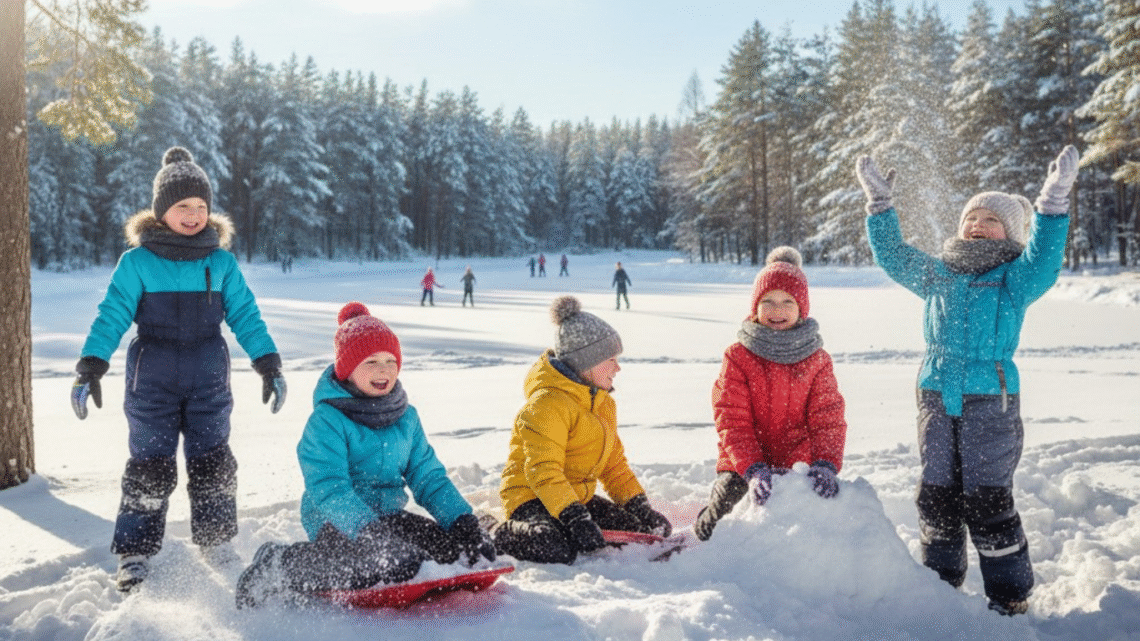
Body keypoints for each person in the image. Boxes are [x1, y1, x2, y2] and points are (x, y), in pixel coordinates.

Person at [856, 145, 1079, 616]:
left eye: (990, 220)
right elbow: (894, 256)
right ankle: (941, 584)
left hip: (990, 401)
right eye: (971, 218)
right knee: (935, 496)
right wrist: (879, 204)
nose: (977, 224)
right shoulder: (938, 273)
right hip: (936, 397)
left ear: (1010, 232)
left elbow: (1044, 258)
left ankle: (1010, 595)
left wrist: (1053, 202)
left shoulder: (1015, 279)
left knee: (987, 501)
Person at [70, 147, 287, 593]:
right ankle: (135, 553)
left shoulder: (220, 262)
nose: (193, 215)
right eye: (182, 205)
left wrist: (268, 363)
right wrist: (91, 366)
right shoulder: (137, 262)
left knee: (213, 461)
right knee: (149, 465)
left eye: (201, 206)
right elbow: (112, 315)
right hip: (151, 377)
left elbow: (245, 315)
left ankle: (216, 541)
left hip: (209, 376)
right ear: (161, 211)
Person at [235, 302, 496, 608]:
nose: (383, 369)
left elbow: (429, 478)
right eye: (371, 361)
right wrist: (368, 531)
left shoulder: (406, 418)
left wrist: (462, 521)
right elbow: (329, 488)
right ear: (347, 369)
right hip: (338, 522)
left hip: (389, 518)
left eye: (390, 360)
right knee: (376, 566)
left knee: (451, 551)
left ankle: (420, 550)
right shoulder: (327, 421)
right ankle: (280, 563)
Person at [492, 296, 672, 564]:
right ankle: (496, 533)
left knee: (641, 532)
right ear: (587, 362)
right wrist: (575, 518)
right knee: (555, 547)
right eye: (611, 359)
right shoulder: (547, 404)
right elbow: (543, 471)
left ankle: (573, 524)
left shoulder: (603, 404)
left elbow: (613, 465)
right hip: (531, 497)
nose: (618, 368)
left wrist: (638, 505)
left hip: (574, 498)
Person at [695, 247, 847, 542]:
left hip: (798, 464)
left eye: (788, 302)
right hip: (743, 464)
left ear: (802, 308)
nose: (778, 311)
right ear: (755, 307)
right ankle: (702, 530)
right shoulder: (738, 356)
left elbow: (827, 417)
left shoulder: (817, 360)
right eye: (768, 302)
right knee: (722, 517)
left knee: (808, 529)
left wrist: (825, 463)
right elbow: (732, 420)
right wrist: (751, 468)